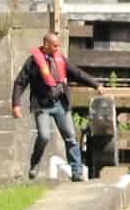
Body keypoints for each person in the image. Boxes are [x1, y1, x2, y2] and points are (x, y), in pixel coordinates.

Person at [10, 29, 102, 182]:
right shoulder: (33, 61)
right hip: (42, 105)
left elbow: (77, 74)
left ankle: (77, 172)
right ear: (46, 44)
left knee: (71, 138)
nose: (57, 49)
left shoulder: (60, 59)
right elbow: (20, 82)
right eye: (54, 46)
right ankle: (35, 163)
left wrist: (95, 84)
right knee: (44, 136)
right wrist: (16, 104)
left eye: (58, 46)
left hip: (60, 104)